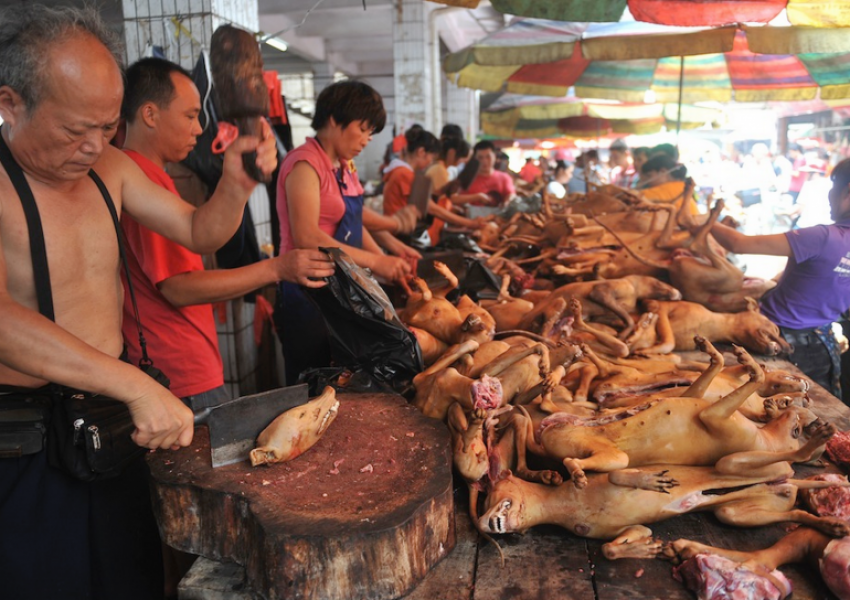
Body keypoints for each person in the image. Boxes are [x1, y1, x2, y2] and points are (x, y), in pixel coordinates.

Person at [0, 5, 278, 599]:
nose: (92, 145)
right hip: (23, 435)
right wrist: (135, 384)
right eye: (75, 129)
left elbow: (201, 232)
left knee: (130, 574)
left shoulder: (114, 167)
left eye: (106, 127)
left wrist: (236, 183)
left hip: (110, 424)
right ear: (10, 104)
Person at [119, 57, 333, 409]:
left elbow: (202, 231)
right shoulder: (138, 178)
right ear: (150, 115)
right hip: (176, 370)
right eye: (189, 116)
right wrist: (276, 268)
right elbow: (178, 287)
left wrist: (240, 182)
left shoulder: (153, 177)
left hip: (184, 361)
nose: (199, 129)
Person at [275, 80, 411, 384]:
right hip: (306, 291)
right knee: (311, 379)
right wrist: (377, 263)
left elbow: (352, 223)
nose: (366, 140)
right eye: (362, 129)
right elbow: (307, 236)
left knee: (343, 381)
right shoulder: (305, 164)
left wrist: (386, 261)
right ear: (335, 119)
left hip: (339, 289)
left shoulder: (341, 166)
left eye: (370, 133)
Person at [705, 158, 850, 399]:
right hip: (822, 346)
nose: (829, 195)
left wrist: (703, 221)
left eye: (833, 188)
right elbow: (824, 275)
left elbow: (738, 244)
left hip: (774, 339)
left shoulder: (822, 237)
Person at [451, 140, 516, 207]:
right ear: (475, 159)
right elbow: (454, 198)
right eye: (480, 158)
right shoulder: (467, 178)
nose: (484, 161)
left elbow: (511, 194)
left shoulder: (504, 177)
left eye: (488, 157)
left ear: (495, 157)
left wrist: (507, 201)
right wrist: (477, 197)